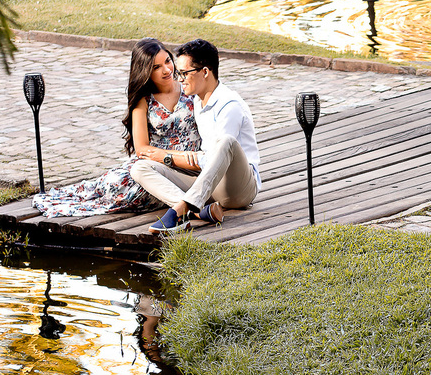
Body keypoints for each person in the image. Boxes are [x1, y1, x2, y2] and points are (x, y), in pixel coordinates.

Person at [32, 38, 200, 217]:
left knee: (138, 190)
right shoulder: (144, 100)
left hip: (190, 165)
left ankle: (184, 204)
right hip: (156, 163)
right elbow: (142, 149)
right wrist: (172, 156)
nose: (166, 70)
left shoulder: (189, 88)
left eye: (167, 61)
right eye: (155, 67)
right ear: (145, 71)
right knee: (115, 183)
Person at [130, 38, 261, 234]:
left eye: (184, 73)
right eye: (178, 72)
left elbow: (214, 158)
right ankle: (194, 212)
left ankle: (181, 209)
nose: (178, 78)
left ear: (205, 72)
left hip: (238, 189)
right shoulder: (198, 101)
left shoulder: (230, 105)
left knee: (226, 142)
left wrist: (171, 157)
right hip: (208, 184)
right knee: (140, 168)